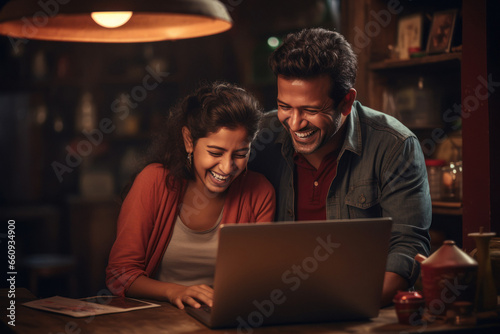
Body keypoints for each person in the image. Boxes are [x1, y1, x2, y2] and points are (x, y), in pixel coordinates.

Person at [249, 28, 431, 307]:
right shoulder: (260, 137)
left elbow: (407, 248)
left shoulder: (395, 145)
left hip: (357, 304)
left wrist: (348, 305)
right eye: (285, 106)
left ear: (346, 102)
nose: (295, 123)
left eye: (310, 110)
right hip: (271, 304)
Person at [106, 82, 275, 310]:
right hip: (153, 319)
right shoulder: (153, 181)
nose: (226, 167)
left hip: (224, 318)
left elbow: (258, 277)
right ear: (189, 141)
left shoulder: (260, 192)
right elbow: (120, 274)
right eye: (215, 152)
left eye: (240, 154)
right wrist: (174, 291)